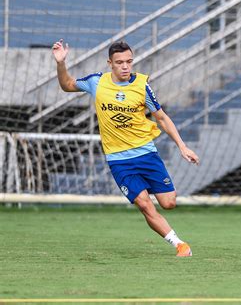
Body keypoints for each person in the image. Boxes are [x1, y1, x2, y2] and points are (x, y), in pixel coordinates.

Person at [52, 39, 199, 257]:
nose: (125, 66)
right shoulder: (96, 82)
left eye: (129, 61)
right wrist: (61, 63)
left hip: (146, 153)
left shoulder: (141, 85)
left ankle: (148, 190)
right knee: (144, 204)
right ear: (109, 63)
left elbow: (162, 118)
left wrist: (182, 146)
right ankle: (180, 245)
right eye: (119, 62)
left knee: (169, 203)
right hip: (118, 159)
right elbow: (67, 85)